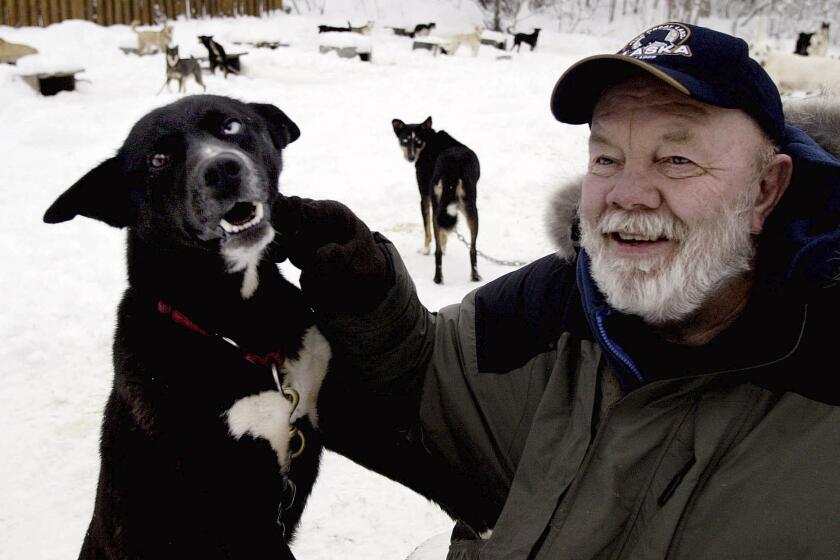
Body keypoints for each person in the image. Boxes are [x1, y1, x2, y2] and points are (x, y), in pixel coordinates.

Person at [272, 22, 840, 559]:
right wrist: (366, 295)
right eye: (606, 157)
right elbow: (424, 376)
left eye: (677, 159)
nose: (627, 194)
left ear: (767, 189)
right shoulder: (554, 305)